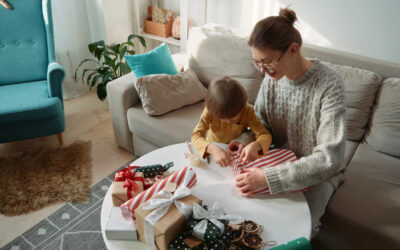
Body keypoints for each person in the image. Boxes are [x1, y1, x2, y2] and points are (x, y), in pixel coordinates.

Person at [228, 8, 346, 238]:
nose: (263, 70)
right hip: (280, 158)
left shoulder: (330, 85)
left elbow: (330, 158)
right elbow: (261, 122)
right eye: (257, 63)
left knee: (294, 234)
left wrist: (267, 178)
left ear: (293, 50)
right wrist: (247, 141)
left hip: (319, 173)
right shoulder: (272, 80)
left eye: (267, 61)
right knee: (246, 218)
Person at [191, 76, 272, 167]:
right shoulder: (211, 110)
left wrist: (257, 145)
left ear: (242, 108)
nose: (227, 121)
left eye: (232, 118)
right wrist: (213, 149)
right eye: (221, 117)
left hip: (236, 150)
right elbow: (196, 136)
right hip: (214, 147)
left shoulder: (248, 111)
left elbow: (265, 135)